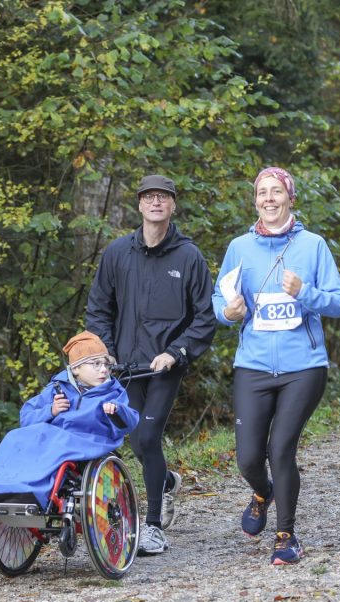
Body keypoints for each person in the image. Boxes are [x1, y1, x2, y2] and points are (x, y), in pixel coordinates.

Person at [212, 166, 340, 565]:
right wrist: (229, 312)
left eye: (276, 192)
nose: (269, 199)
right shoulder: (239, 247)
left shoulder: (314, 246)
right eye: (262, 193)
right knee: (248, 459)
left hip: (303, 366)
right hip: (253, 365)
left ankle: (285, 535)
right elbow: (217, 301)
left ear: (290, 198)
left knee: (281, 449)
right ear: (255, 200)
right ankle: (261, 492)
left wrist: (304, 292)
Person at [86, 174, 216, 556]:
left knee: (146, 437)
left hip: (164, 367)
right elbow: (98, 308)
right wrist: (106, 351)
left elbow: (205, 316)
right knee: (135, 439)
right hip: (123, 366)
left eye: (164, 197)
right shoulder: (116, 253)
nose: (156, 202)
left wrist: (176, 352)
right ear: (140, 205)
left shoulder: (188, 257)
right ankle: (167, 480)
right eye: (149, 197)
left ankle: (154, 526)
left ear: (173, 205)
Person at [0, 331, 139, 508]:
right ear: (76, 368)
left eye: (106, 365)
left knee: (54, 441)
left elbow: (130, 422)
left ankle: (35, 493)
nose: (103, 370)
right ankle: (2, 488)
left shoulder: (112, 392)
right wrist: (51, 411)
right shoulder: (57, 388)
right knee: (14, 437)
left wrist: (116, 411)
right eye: (96, 364)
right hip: (57, 437)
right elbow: (26, 417)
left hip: (91, 441)